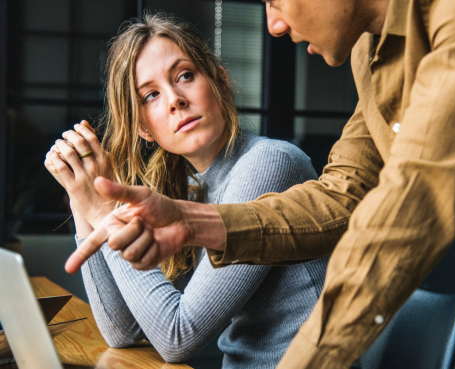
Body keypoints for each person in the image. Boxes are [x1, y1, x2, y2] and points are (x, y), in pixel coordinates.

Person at [67, 0, 455, 368]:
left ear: (219, 80)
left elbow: (411, 204)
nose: (274, 25)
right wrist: (191, 219)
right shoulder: (369, 56)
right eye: (151, 95)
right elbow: (343, 194)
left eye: (275, 0)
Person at [45, 14, 329, 368]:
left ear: (220, 81)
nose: (174, 100)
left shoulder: (270, 164)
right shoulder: (193, 189)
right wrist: (81, 197)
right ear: (144, 129)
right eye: (150, 95)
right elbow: (123, 332)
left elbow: (176, 337)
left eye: (185, 76)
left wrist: (103, 211)